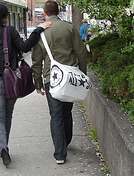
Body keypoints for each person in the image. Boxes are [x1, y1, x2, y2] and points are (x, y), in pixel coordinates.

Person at [0, 3, 51, 167]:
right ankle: (4, 147)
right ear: (2, 17)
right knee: (7, 116)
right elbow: (25, 46)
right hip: (11, 81)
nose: (7, 17)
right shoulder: (9, 31)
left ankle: (3, 147)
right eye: (6, 14)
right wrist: (38, 29)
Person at [31, 0, 87, 164]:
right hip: (69, 78)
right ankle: (66, 141)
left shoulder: (42, 32)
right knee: (66, 111)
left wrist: (38, 82)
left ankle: (60, 154)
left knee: (55, 115)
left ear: (46, 14)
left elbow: (36, 61)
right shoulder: (69, 28)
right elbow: (81, 52)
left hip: (51, 79)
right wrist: (82, 74)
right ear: (58, 11)